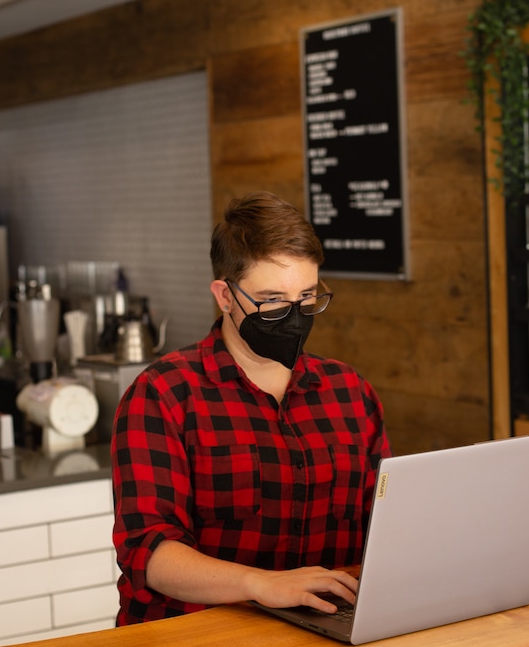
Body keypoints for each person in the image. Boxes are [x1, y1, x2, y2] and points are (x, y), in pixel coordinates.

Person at [111, 191, 392, 625]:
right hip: (189, 645)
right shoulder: (164, 394)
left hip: (323, 636)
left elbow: (387, 525)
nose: (295, 317)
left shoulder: (350, 392)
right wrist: (260, 584)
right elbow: (148, 552)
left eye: (307, 297)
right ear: (225, 297)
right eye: (273, 300)